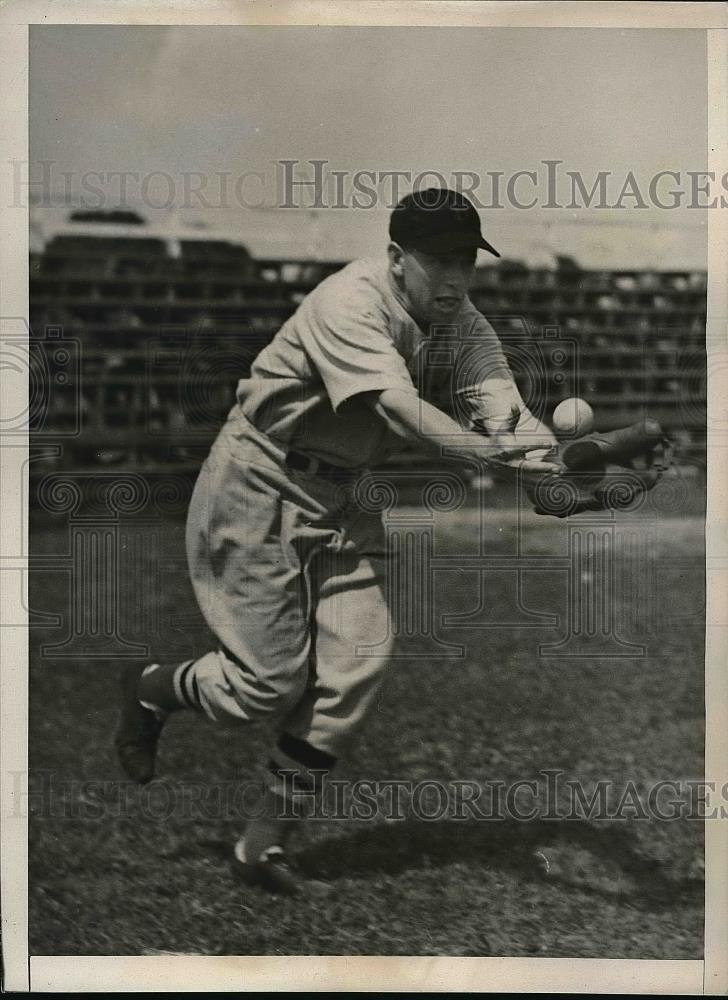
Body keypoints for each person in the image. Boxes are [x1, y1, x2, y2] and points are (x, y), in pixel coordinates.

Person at [115, 188, 559, 895]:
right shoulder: (347, 304)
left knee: (359, 661)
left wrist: (560, 464)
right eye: (439, 261)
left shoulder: (460, 319)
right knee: (265, 686)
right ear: (395, 257)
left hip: (339, 493)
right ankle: (157, 690)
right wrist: (492, 459)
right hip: (257, 480)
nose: (455, 279)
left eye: (466, 261)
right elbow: (399, 410)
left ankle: (260, 848)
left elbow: (506, 411)